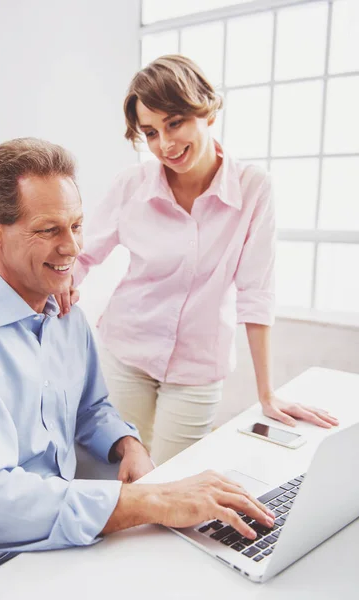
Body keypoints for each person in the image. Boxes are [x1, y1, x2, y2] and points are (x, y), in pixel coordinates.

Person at [0, 137, 275, 591]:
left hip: (65, 541)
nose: (71, 248)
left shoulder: (65, 315)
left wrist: (126, 443)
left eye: (77, 225)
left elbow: (91, 409)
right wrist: (143, 502)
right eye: (49, 230)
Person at [57, 55, 338, 466]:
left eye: (175, 123)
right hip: (126, 351)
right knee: (117, 474)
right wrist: (54, 300)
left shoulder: (253, 188)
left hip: (197, 368)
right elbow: (83, 256)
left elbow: (256, 291)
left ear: (205, 110)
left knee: (172, 480)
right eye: (150, 133)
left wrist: (266, 392)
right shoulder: (131, 185)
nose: (165, 144)